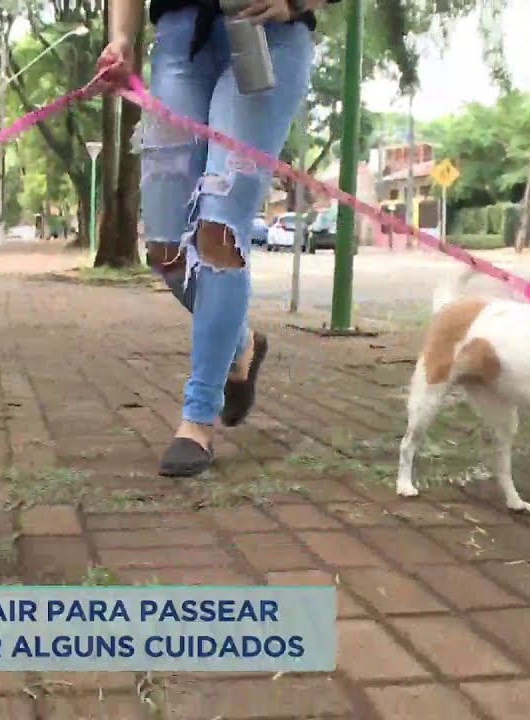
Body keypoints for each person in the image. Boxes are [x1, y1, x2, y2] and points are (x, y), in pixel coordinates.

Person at [98, 0, 336, 476]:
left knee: (219, 229)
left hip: (268, 35)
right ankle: (241, 343)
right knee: (165, 251)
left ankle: (197, 419)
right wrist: (123, 39)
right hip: (177, 42)